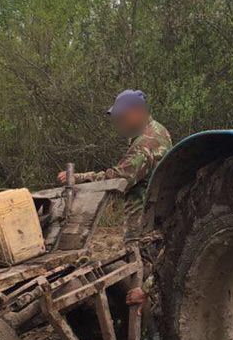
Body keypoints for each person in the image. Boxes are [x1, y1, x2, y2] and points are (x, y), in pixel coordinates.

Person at [58, 89, 172, 305]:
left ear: (137, 112)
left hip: (145, 227)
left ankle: (151, 317)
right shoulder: (156, 131)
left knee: (146, 281)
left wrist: (80, 179)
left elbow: (118, 179)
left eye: (123, 118)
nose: (120, 124)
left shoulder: (146, 143)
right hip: (148, 222)